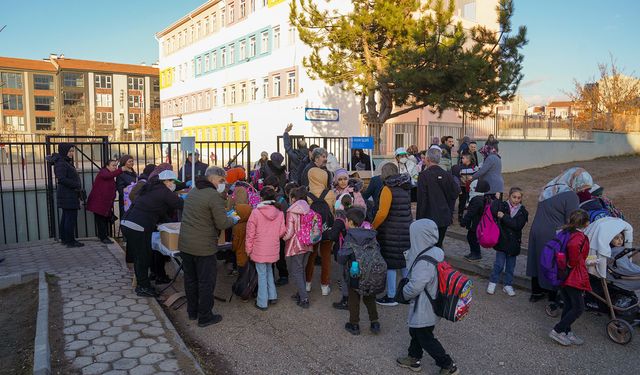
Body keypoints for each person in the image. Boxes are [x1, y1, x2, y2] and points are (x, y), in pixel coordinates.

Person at [395, 219, 458, 375]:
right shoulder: (434, 251)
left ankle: (447, 364)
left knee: (425, 337)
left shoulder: (424, 261)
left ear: (419, 237)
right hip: (429, 303)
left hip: (424, 306)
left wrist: (403, 293)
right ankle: (413, 358)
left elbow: (416, 285)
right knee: (416, 331)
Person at [178, 166, 235, 327]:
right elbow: (222, 222)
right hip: (203, 248)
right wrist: (233, 219)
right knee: (206, 282)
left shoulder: (194, 190)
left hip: (186, 244)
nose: (224, 183)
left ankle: (192, 311)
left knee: (190, 280)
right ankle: (205, 316)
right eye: (221, 180)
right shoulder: (212, 195)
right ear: (212, 179)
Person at [527, 167, 592, 306]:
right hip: (553, 233)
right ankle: (552, 298)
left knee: (538, 258)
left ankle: (536, 292)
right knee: (553, 262)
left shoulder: (549, 188)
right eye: (582, 187)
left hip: (536, 229)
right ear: (576, 182)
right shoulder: (571, 196)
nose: (582, 191)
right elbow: (573, 220)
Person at [120, 169, 183, 297]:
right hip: (137, 226)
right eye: (171, 181)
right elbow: (180, 204)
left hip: (128, 222)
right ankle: (143, 287)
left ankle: (143, 283)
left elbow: (159, 212)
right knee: (142, 257)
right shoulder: (163, 191)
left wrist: (168, 223)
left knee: (140, 256)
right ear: (165, 181)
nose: (173, 184)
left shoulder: (151, 188)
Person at [372, 163, 412, 306]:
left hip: (391, 231)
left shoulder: (387, 189)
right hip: (406, 229)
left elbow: (382, 213)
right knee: (404, 263)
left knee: (391, 264)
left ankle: (392, 296)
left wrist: (372, 227)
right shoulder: (405, 187)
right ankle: (408, 294)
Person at [549, 209, 591, 346]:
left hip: (562, 273)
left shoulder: (566, 232)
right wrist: (573, 263)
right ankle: (557, 330)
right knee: (578, 307)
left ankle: (566, 331)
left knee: (568, 304)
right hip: (573, 275)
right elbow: (574, 249)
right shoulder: (580, 237)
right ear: (585, 223)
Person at [338, 208, 381, 335]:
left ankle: (354, 324)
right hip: (370, 272)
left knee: (354, 298)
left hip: (355, 273)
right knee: (369, 297)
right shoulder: (371, 234)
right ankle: (375, 322)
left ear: (350, 222)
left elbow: (342, 257)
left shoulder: (350, 236)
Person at [246, 187, 287, 310]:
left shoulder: (256, 212)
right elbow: (282, 231)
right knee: (269, 271)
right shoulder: (279, 212)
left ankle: (262, 302)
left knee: (262, 274)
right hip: (273, 247)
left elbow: (250, 233)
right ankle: (272, 295)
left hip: (259, 248)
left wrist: (248, 249)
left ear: (261, 197)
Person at [487, 187, 529, 296]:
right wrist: (496, 199)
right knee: (499, 264)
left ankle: (508, 284)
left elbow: (517, 225)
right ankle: (493, 282)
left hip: (514, 243)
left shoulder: (523, 211)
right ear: (509, 196)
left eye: (519, 198)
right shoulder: (503, 205)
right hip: (502, 241)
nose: (516, 200)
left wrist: (504, 217)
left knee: (510, 266)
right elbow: (493, 211)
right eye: (514, 197)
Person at [416, 148, 461, 248]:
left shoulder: (424, 176)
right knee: (439, 244)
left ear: (427, 159)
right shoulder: (447, 175)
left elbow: (422, 199)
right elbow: (455, 193)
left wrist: (419, 219)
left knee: (427, 246)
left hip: (428, 217)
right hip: (444, 216)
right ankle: (439, 262)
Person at [305, 160, 336, 295]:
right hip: (326, 229)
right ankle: (324, 286)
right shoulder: (330, 194)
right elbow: (333, 212)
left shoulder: (306, 195)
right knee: (326, 257)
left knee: (311, 256)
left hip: (312, 231)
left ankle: (307, 283)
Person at [282, 186, 314, 308]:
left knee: (297, 271)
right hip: (308, 243)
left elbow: (289, 232)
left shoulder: (292, 211)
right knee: (301, 270)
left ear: (293, 198)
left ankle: (304, 298)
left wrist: (282, 237)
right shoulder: (308, 208)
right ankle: (301, 293)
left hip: (296, 245)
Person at [52, 143, 84, 248]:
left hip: (69, 194)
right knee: (69, 218)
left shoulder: (65, 161)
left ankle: (65, 239)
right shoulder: (61, 163)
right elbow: (61, 179)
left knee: (67, 217)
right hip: (68, 194)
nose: (71, 153)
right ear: (64, 151)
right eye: (69, 151)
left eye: (72, 151)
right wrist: (76, 184)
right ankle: (70, 241)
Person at [86, 160, 122, 244]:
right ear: (107, 166)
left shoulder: (109, 175)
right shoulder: (103, 172)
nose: (115, 167)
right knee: (101, 220)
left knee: (104, 220)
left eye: (116, 166)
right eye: (113, 165)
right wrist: (120, 170)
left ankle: (104, 236)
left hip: (104, 203)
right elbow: (108, 176)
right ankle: (103, 237)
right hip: (98, 203)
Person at [264, 175, 290, 286]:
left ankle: (283, 276)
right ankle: (271, 277)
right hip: (269, 233)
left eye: (269, 188)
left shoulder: (281, 200)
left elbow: (284, 218)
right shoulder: (266, 198)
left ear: (275, 188)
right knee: (270, 256)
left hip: (278, 233)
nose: (267, 190)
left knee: (279, 257)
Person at [460, 180, 492, 262]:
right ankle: (473, 252)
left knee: (472, 238)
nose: (470, 189)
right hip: (477, 223)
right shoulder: (481, 197)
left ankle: (476, 254)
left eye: (472, 187)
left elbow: (471, 212)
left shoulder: (477, 199)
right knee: (472, 237)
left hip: (475, 223)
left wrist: (464, 221)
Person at [228, 186, 252, 273]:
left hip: (239, 256)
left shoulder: (235, 210)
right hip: (249, 254)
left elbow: (235, 243)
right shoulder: (250, 211)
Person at [452, 153, 478, 223]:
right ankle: (460, 215)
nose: (462, 159)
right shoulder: (460, 167)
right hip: (462, 187)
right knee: (462, 202)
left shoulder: (474, 167)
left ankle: (469, 216)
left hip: (471, 188)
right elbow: (457, 176)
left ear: (468, 159)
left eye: (463, 158)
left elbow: (477, 175)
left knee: (470, 201)